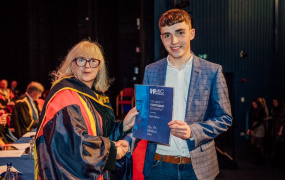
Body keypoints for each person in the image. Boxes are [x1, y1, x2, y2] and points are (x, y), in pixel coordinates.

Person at [132, 9, 232, 180]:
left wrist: (192, 131)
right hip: (158, 165)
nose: (174, 41)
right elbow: (145, 117)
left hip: (198, 168)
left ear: (192, 33)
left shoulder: (212, 71)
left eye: (180, 33)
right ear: (161, 37)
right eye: (167, 35)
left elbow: (224, 118)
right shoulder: (151, 70)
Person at [34, 40, 139, 179]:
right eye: (81, 60)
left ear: (99, 66)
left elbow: (99, 133)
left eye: (93, 61)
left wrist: (123, 126)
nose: (87, 66)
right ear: (72, 64)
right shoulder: (65, 95)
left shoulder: (96, 96)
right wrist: (112, 151)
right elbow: (72, 145)